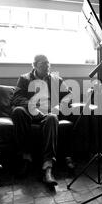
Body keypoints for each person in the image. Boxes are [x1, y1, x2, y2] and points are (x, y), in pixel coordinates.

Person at [11, 54, 74, 186]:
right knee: (17, 111)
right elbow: (16, 98)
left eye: (48, 63)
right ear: (34, 66)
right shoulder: (24, 79)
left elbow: (68, 97)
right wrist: (32, 107)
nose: (46, 66)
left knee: (52, 117)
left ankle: (48, 168)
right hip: (29, 113)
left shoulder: (57, 80)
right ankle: (26, 159)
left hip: (48, 114)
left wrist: (57, 107)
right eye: (42, 64)